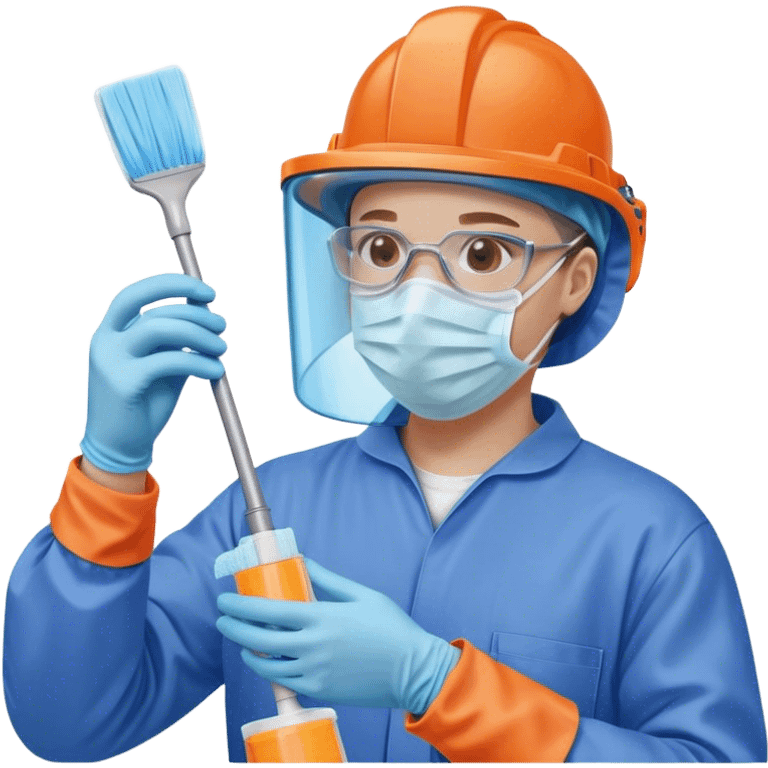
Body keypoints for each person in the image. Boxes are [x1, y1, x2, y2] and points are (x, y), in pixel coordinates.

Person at [5, 6, 766, 763]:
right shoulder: (266, 509)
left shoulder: (651, 537)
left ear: (575, 277)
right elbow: (70, 722)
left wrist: (439, 686)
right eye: (379, 245)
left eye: (482, 252)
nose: (417, 292)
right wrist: (110, 470)